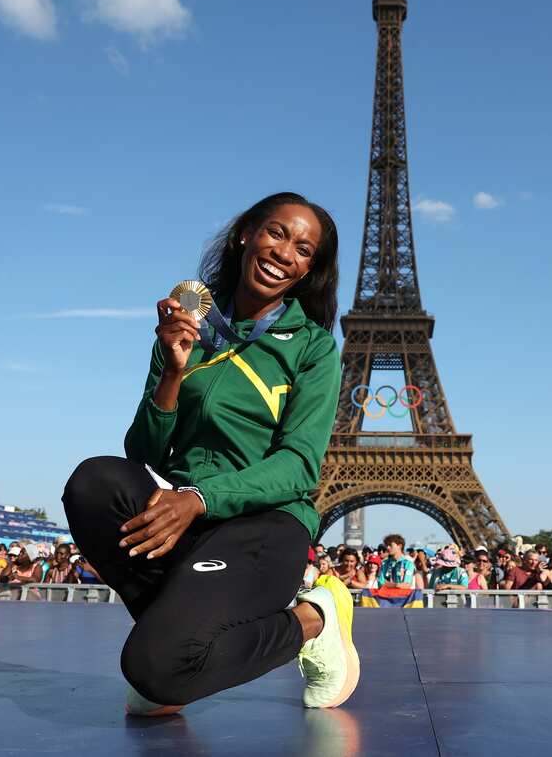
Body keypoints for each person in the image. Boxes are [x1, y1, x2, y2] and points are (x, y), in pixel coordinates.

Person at [61, 192, 357, 716]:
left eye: (304, 249)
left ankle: (313, 621)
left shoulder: (311, 347)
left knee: (155, 671)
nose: (286, 252)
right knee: (94, 482)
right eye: (276, 233)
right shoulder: (189, 327)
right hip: (186, 514)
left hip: (262, 526)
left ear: (311, 269)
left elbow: (300, 466)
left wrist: (199, 498)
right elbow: (144, 450)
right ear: (246, 234)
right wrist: (173, 372)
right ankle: (175, 644)